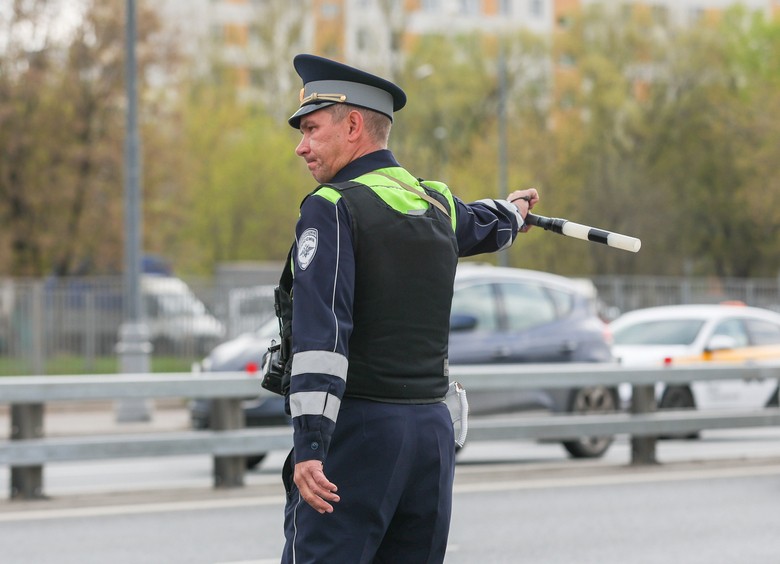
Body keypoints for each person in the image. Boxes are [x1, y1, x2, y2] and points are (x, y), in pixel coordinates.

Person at [280, 53, 539, 563]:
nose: (301, 146)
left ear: (353, 125)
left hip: (358, 434)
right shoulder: (434, 203)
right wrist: (515, 212)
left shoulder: (331, 207)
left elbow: (323, 334)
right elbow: (483, 222)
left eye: (311, 129)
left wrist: (310, 445)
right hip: (430, 436)